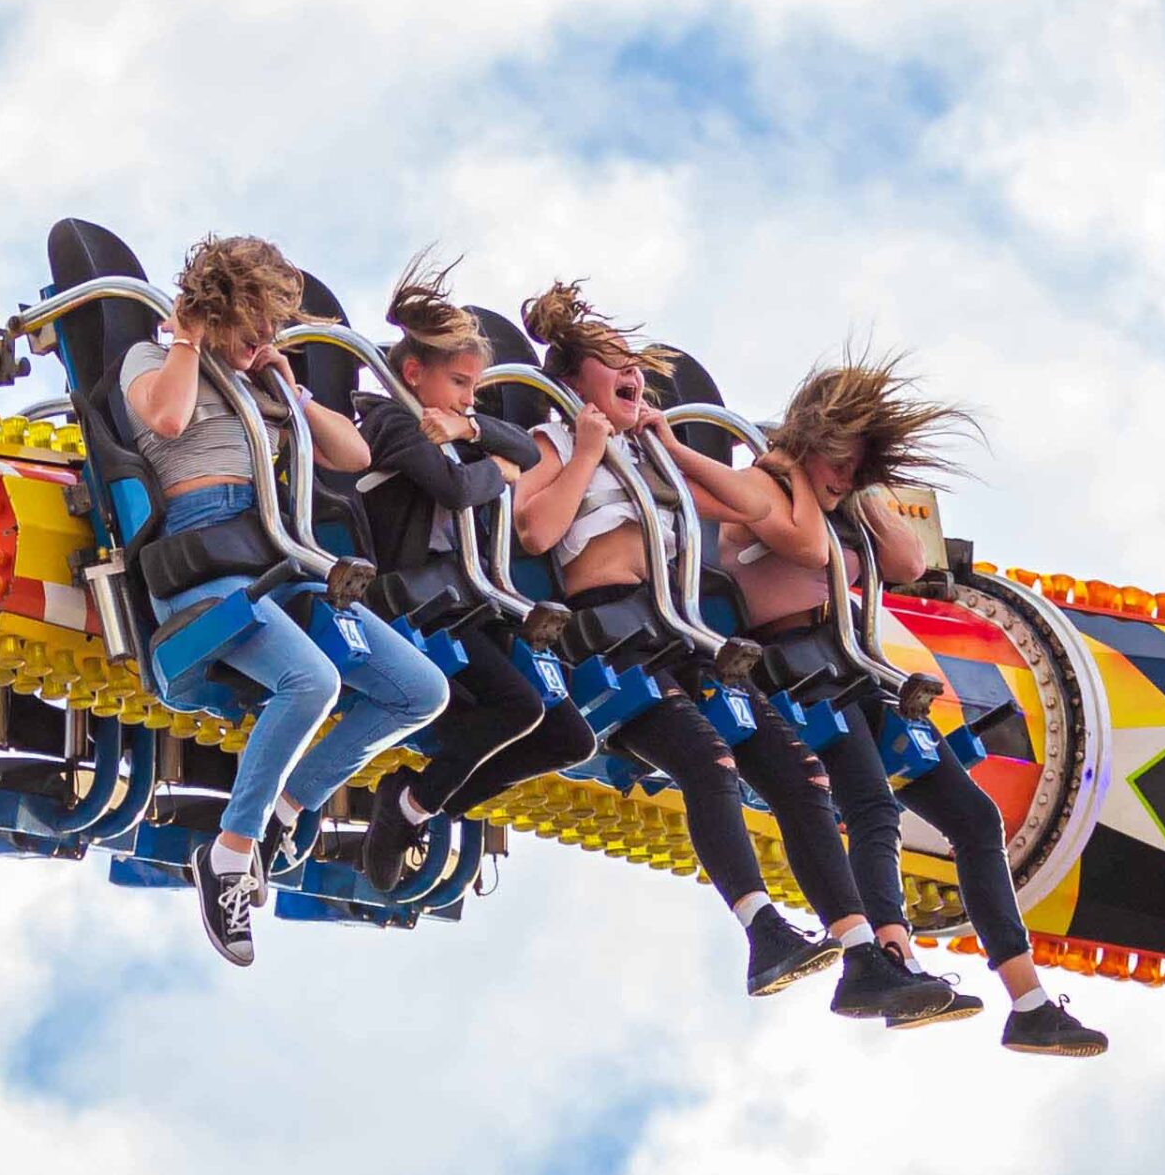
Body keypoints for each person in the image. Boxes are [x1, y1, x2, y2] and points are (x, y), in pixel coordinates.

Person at [509, 283, 951, 1020]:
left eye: (638, 366)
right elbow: (534, 530)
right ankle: (762, 931)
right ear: (575, 379)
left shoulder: (658, 461)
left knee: (801, 775)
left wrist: (719, 454)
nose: (635, 375)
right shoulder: (558, 444)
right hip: (610, 633)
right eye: (616, 363)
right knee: (709, 761)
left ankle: (861, 956)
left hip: (677, 636)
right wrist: (588, 452)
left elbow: (794, 533)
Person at [722, 355, 1108, 1056]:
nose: (844, 475)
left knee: (975, 816)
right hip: (800, 670)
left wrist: (863, 495)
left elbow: (905, 563)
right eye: (839, 459)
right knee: (872, 807)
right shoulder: (767, 486)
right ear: (809, 439)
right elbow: (795, 545)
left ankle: (1028, 999)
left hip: (861, 668)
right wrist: (802, 474)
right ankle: (887, 958)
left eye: (856, 465)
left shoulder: (846, 505)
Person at [121, 234, 449, 967]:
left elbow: (354, 456)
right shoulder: (153, 359)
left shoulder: (262, 383)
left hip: (277, 552)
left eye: (273, 328)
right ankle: (230, 857)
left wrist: (287, 387)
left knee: (419, 690)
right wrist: (189, 338)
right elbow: (167, 420)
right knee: (313, 681)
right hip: (205, 554)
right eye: (254, 325)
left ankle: (283, 809)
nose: (264, 339)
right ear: (216, 311)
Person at [350, 259, 599, 883]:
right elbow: (458, 488)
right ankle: (410, 806)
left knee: (571, 739)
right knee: (515, 708)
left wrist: (470, 426)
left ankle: (413, 806)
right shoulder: (388, 421)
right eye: (459, 385)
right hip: (415, 596)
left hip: (468, 597)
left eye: (475, 388)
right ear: (413, 373)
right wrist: (497, 471)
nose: (468, 396)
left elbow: (517, 445)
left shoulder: (455, 424)